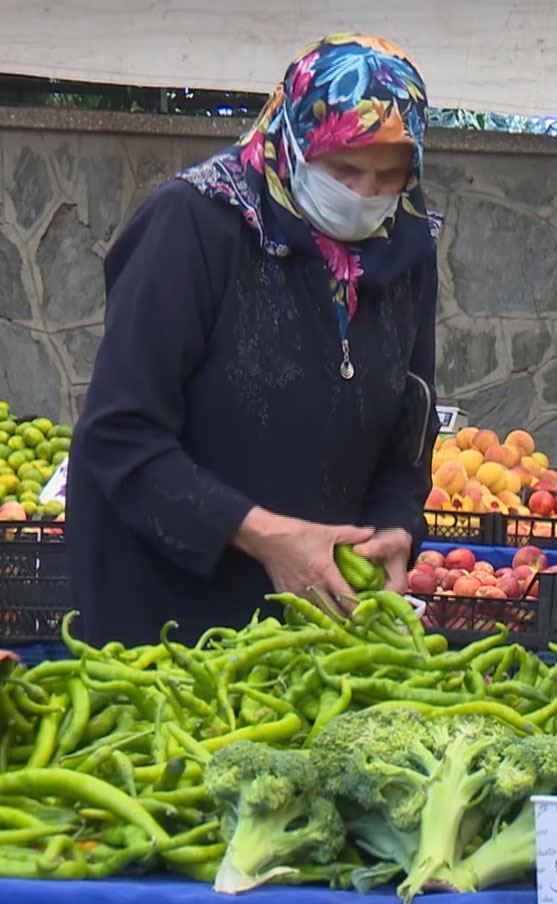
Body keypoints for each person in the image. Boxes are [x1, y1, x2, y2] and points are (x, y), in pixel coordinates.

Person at [67, 35, 440, 646]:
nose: (366, 195)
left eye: (390, 176)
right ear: (292, 139)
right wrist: (266, 534)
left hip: (307, 622)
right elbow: (119, 434)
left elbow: (411, 424)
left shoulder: (405, 247)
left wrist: (396, 525)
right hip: (162, 614)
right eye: (344, 169)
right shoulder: (194, 225)